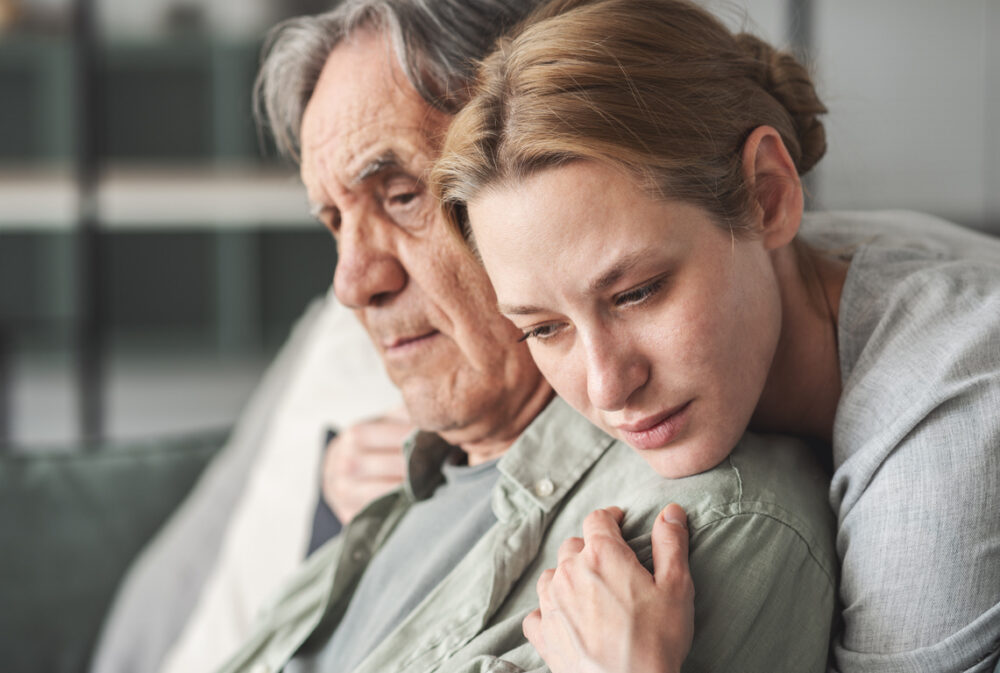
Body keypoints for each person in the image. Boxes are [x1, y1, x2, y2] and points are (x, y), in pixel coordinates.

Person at [206, 0, 839, 672]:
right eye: (335, 220)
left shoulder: (685, 533)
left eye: (402, 195)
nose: (351, 282)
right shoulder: (392, 474)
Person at [433, 0, 1000, 671]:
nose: (608, 386)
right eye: (544, 328)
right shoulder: (790, 260)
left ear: (768, 195)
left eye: (637, 292)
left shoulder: (947, 438)